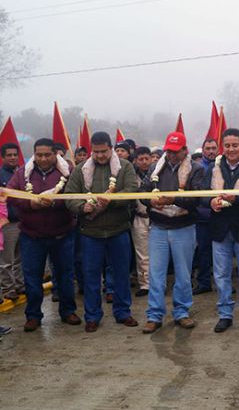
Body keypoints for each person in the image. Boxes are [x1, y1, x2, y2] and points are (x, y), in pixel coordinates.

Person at [65, 131, 139, 333]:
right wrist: (82, 207)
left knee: (122, 274)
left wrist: (112, 200)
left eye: (103, 151)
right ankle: (92, 316)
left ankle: (123, 312)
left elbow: (132, 190)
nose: (99, 156)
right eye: (95, 152)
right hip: (90, 233)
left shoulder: (125, 167)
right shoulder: (81, 170)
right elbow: (69, 196)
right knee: (91, 277)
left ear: (111, 148)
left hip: (119, 230)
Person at [7, 138, 81, 331]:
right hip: (32, 236)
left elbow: (76, 194)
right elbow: (12, 195)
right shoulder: (23, 173)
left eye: (47, 154)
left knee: (65, 276)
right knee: (32, 278)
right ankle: (33, 316)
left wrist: (56, 202)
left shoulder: (68, 171)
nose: (43, 158)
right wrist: (32, 204)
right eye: (39, 155)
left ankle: (68, 311)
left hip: (63, 234)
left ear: (55, 154)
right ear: (34, 154)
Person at [140, 132, 203, 334]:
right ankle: (154, 315)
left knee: (183, 274)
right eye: (169, 151)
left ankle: (182, 312)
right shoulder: (154, 167)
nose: (172, 155)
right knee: (156, 274)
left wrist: (172, 200)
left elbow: (197, 199)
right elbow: (142, 193)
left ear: (185, 150)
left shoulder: (196, 170)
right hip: (158, 227)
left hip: (183, 227)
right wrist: (151, 201)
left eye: (176, 151)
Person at [202, 128, 239, 334]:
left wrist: (237, 198)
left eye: (235, 145)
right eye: (227, 145)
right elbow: (201, 193)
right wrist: (210, 202)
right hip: (219, 229)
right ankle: (225, 314)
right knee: (221, 274)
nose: (231, 149)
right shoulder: (213, 166)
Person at [193, 139, 218, 295]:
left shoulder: (222, 165)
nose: (211, 151)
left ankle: (224, 282)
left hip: (221, 215)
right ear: (203, 150)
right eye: (208, 148)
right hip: (202, 216)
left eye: (213, 148)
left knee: (222, 252)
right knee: (203, 251)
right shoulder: (196, 168)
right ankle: (204, 282)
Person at [0, 143, 23, 302]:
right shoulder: (1, 175)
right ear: (3, 157)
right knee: (6, 260)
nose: (13, 157)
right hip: (7, 224)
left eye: (15, 154)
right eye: (9, 155)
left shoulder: (22, 173)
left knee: (21, 258)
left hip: (23, 221)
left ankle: (21, 285)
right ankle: (8, 289)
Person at [131, 146, 152, 297]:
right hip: (139, 217)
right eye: (141, 159)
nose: (144, 162)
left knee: (159, 254)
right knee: (142, 253)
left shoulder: (157, 173)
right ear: (135, 161)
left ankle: (158, 283)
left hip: (156, 217)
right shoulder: (131, 176)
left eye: (147, 158)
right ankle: (145, 284)